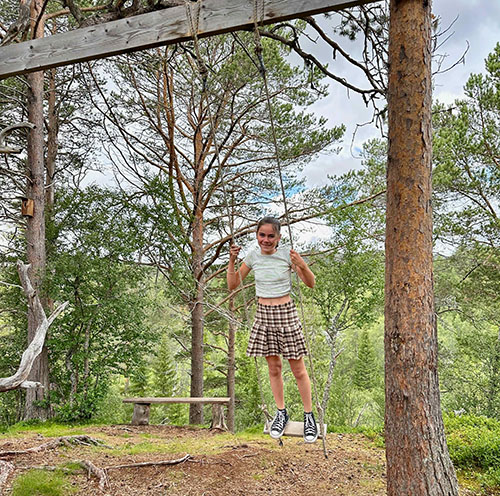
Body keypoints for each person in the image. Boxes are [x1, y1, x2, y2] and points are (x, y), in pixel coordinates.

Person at [227, 216, 318, 443]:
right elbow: (233, 284)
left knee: (297, 368)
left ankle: (309, 416)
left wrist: (302, 264)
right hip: (263, 314)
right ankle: (281, 412)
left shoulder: (287, 254)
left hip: (286, 312)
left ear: (278, 237)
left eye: (270, 236)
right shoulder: (253, 256)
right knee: (274, 368)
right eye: (262, 235)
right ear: (257, 236)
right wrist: (231, 260)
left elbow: (310, 283)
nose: (266, 240)